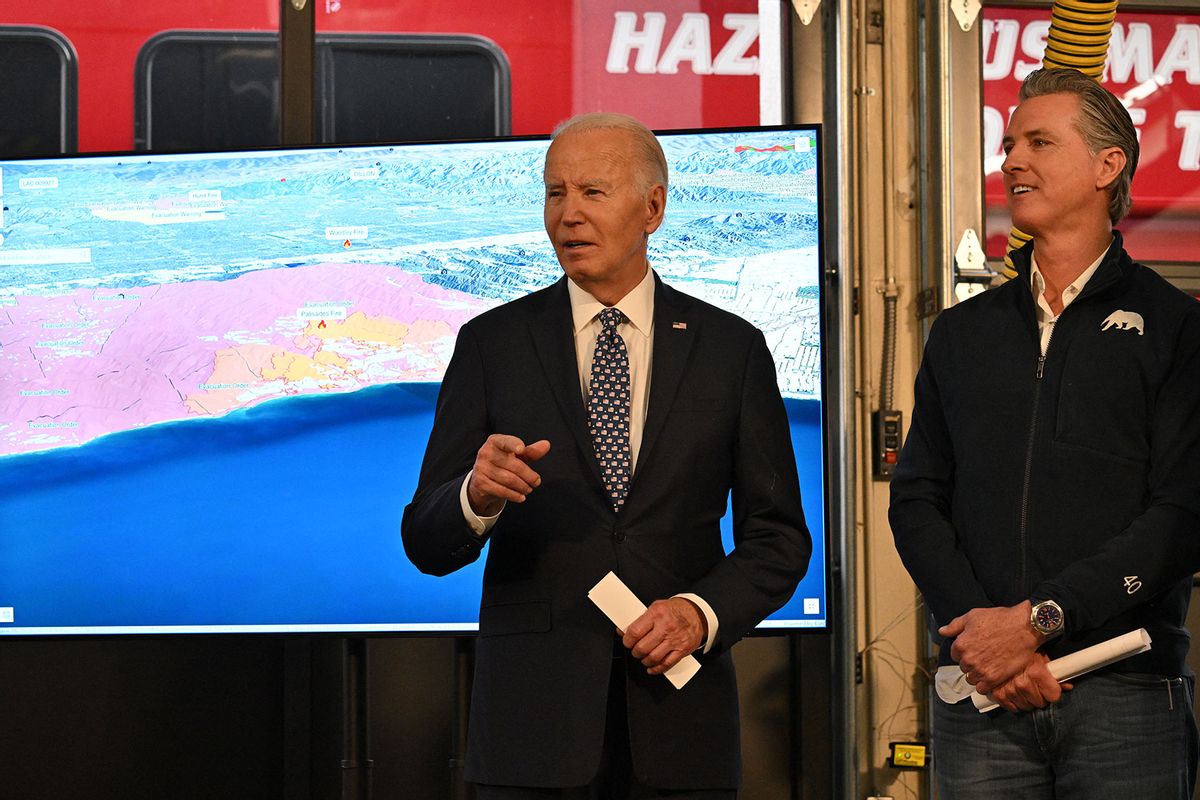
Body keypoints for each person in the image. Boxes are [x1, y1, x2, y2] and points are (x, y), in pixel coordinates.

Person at [401, 112, 811, 799]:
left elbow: (778, 539)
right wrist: (476, 496)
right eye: (554, 194)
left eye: (592, 192)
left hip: (681, 731)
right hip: (530, 738)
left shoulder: (729, 351)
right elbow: (425, 540)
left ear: (652, 207)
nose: (568, 215)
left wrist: (700, 613)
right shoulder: (491, 346)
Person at [889, 66, 1200, 798]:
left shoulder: (1176, 329)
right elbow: (917, 501)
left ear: (1107, 165)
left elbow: (1184, 514)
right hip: (979, 694)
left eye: (1038, 142)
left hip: (1125, 694)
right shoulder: (961, 334)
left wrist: (1038, 622)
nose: (1012, 161)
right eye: (1007, 145)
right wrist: (984, 642)